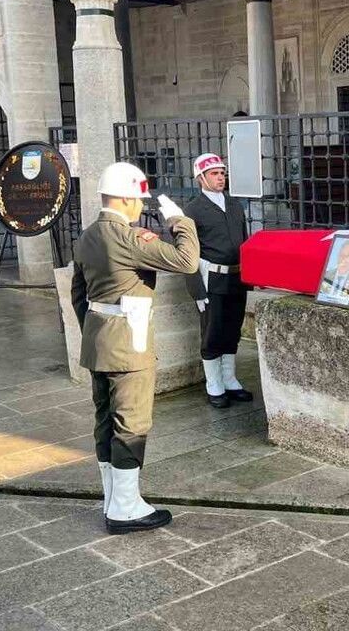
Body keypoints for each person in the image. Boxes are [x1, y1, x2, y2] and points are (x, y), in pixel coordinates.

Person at [70, 161, 200, 534]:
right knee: (131, 423)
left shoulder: (88, 235)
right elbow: (188, 261)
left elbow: (79, 294)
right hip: (130, 345)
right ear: (125, 199)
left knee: (104, 419)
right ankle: (125, 508)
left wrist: (97, 331)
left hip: (99, 343)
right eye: (139, 200)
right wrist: (179, 221)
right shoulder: (127, 239)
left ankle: (112, 498)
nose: (143, 207)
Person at [184, 153, 253, 409]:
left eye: (222, 172)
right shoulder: (192, 210)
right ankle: (214, 384)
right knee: (212, 332)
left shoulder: (234, 205)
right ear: (201, 178)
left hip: (236, 278)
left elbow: (244, 240)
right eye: (214, 173)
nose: (220, 177)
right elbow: (188, 253)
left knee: (232, 330)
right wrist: (196, 289)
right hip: (211, 279)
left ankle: (229, 379)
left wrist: (250, 276)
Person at [318, 239, 349, 303]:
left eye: (348, 256)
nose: (344, 258)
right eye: (342, 255)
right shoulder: (327, 275)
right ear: (338, 256)